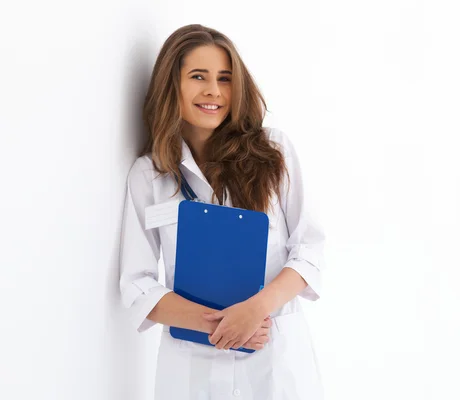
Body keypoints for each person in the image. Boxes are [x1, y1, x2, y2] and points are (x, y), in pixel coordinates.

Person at [118, 24, 326, 399]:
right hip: (190, 372)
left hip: (274, 362)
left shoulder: (273, 153)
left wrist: (255, 310)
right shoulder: (150, 175)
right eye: (198, 76)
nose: (214, 90)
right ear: (172, 86)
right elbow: (137, 284)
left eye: (225, 79)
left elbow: (308, 251)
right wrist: (222, 324)